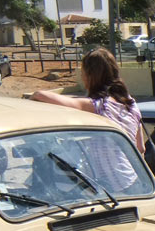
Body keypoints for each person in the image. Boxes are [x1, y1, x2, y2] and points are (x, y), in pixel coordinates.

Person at [30, 47, 144, 192]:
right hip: (135, 182)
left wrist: (32, 98)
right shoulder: (131, 104)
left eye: (83, 72)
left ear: (90, 76)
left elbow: (41, 95)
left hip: (115, 187)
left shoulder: (98, 106)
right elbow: (141, 148)